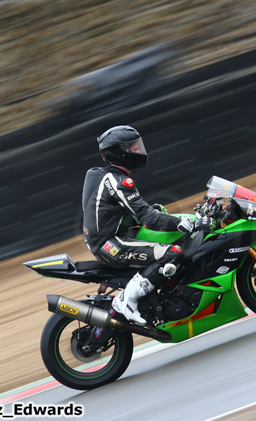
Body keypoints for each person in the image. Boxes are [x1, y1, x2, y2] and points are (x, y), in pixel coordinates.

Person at [81, 125, 212, 325]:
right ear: (120, 151)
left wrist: (152, 211)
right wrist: (184, 223)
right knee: (173, 252)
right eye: (134, 148)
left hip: (107, 238)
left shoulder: (100, 175)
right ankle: (127, 302)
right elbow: (149, 218)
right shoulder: (120, 182)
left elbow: (109, 211)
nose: (139, 151)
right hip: (111, 243)